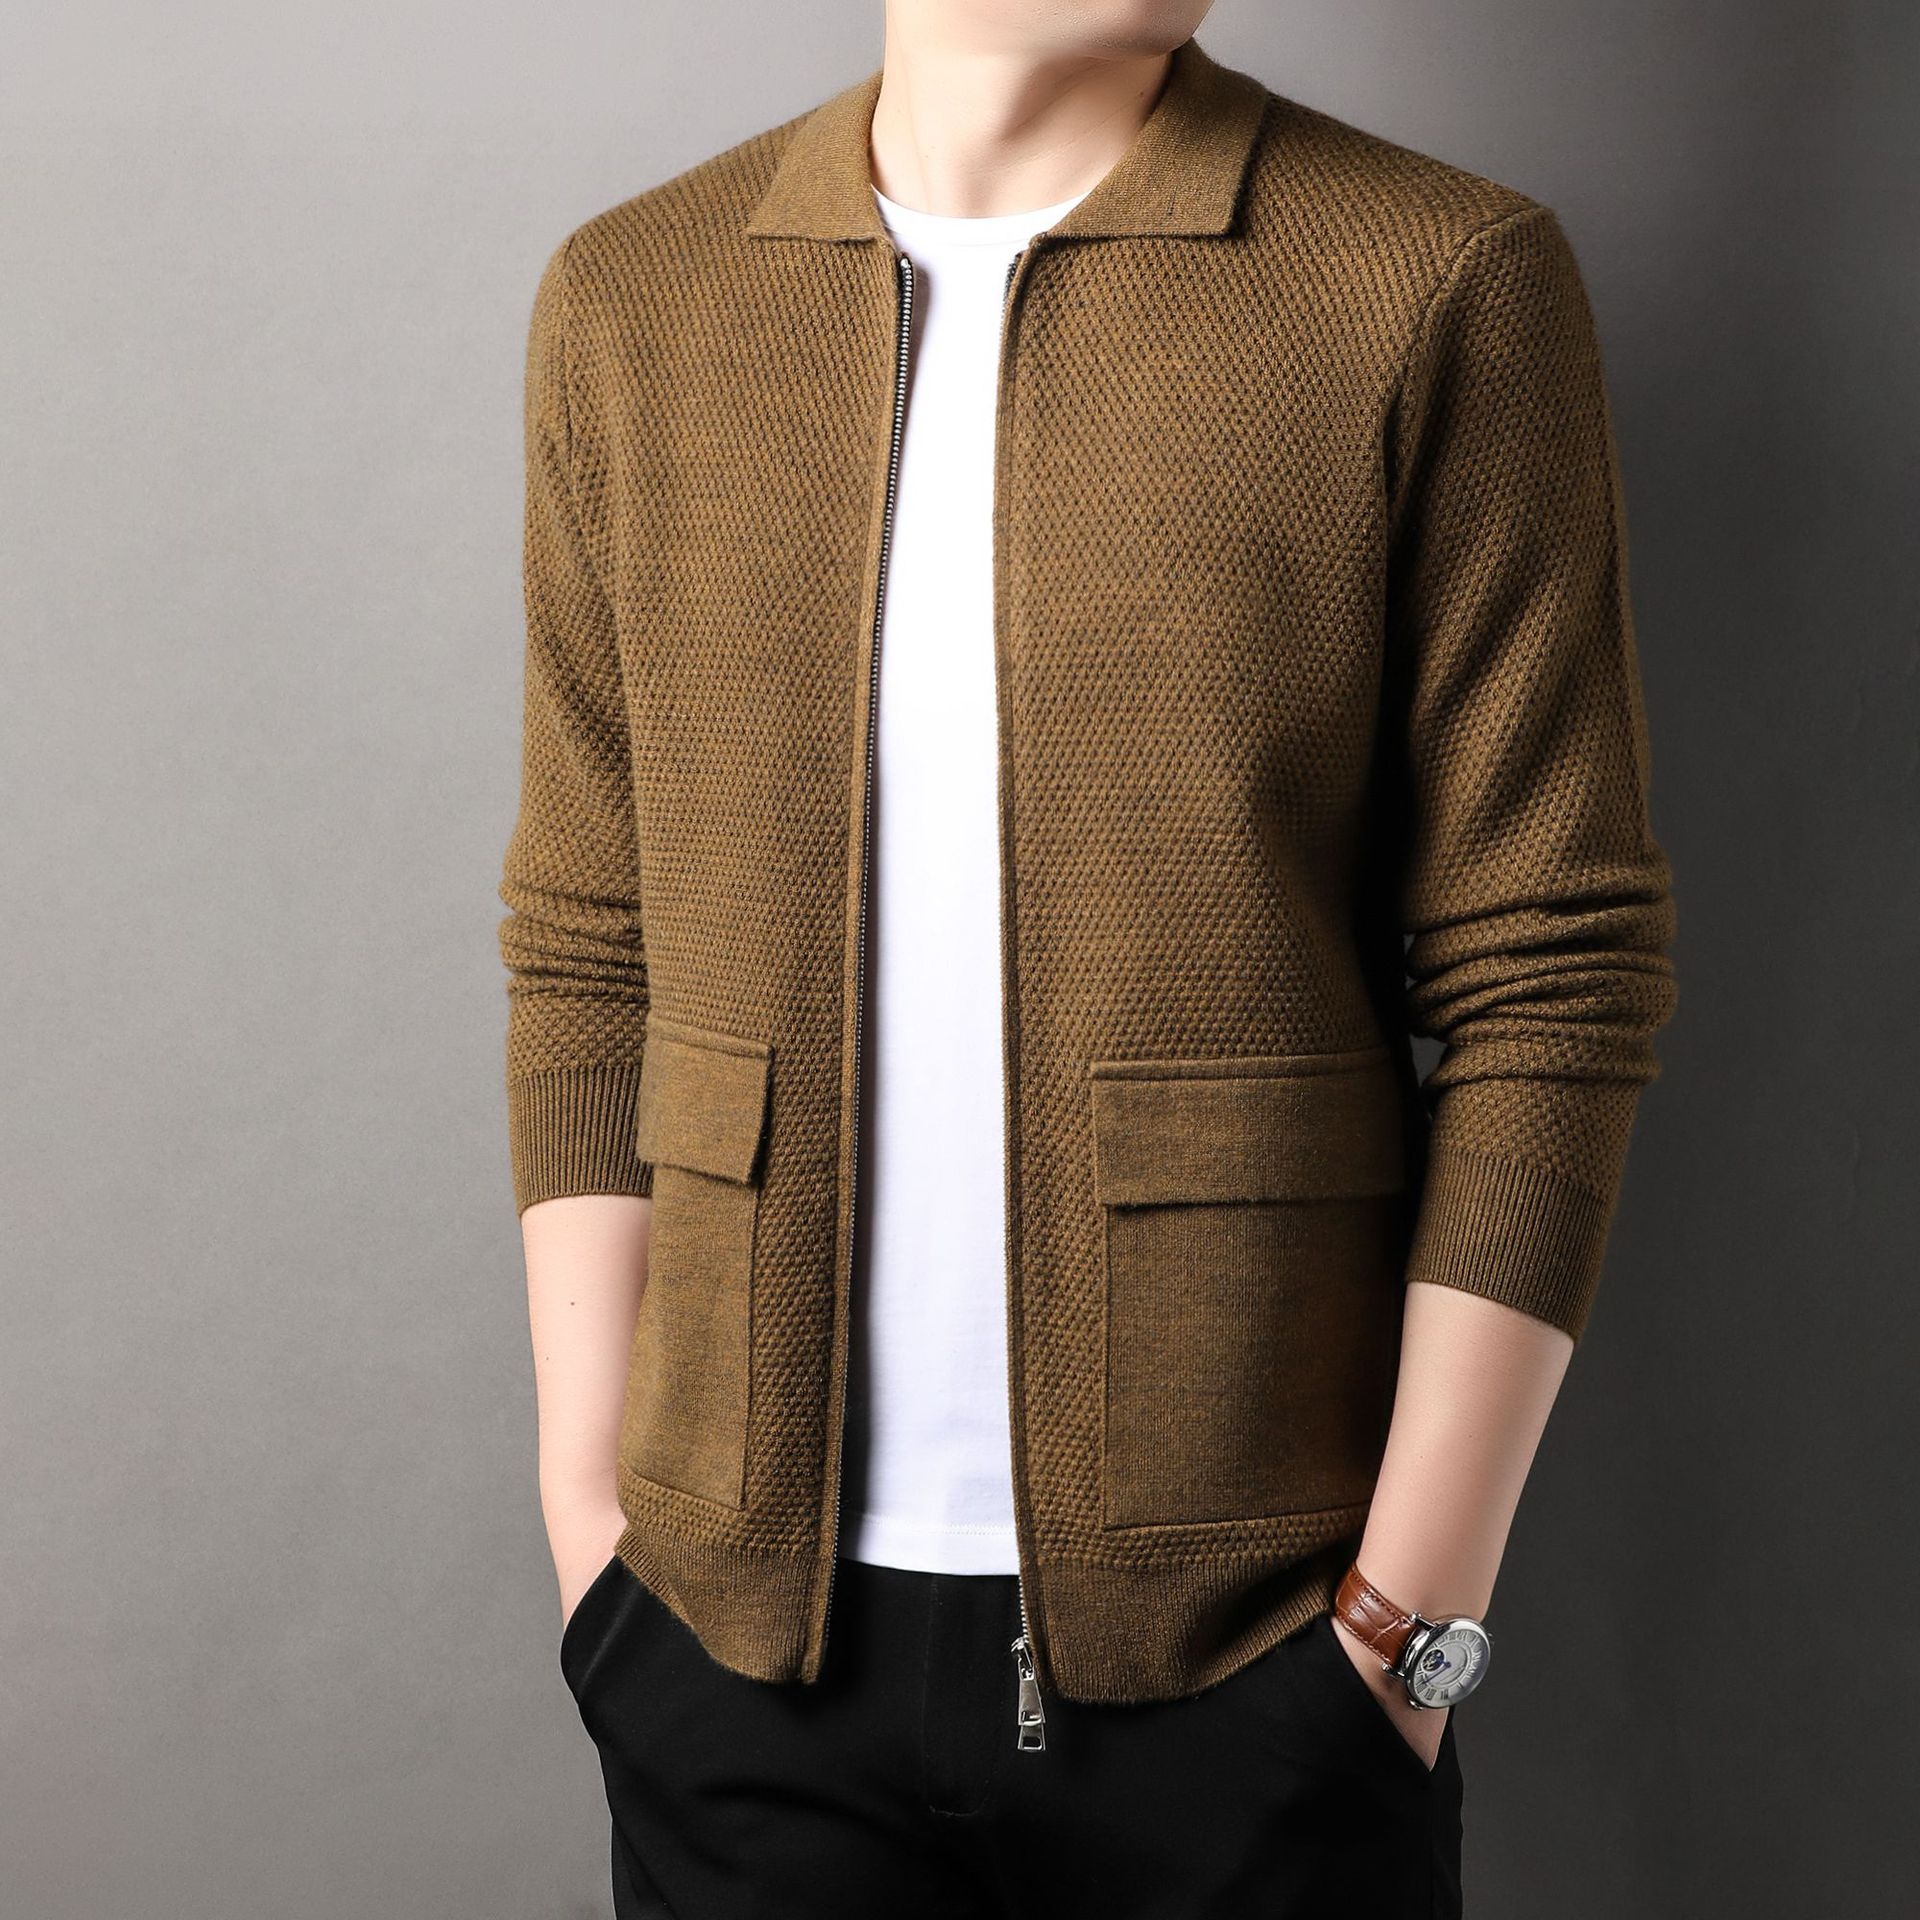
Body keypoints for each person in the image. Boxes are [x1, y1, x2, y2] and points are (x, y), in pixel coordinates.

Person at [496, 7, 1678, 1915]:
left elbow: (1553, 970)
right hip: (732, 1656)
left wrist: (1400, 1633)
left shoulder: (1431, 277)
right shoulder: (640, 300)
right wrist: (593, 1530)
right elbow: (588, 945)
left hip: (1264, 1666)